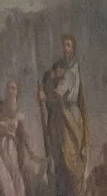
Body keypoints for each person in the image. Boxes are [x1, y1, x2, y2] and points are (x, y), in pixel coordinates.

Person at [40, 34, 89, 195]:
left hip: (71, 116)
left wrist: (47, 96)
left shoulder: (72, 71)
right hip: (61, 117)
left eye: (68, 45)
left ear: (73, 48)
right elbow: (54, 93)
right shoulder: (61, 69)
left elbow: (60, 93)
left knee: (70, 155)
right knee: (60, 157)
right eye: (64, 45)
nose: (65, 49)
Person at [0, 78, 34, 196]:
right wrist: (2, 124)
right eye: (9, 88)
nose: (11, 91)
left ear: (17, 92)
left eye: (13, 88)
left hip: (12, 149)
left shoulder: (19, 115)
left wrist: (33, 153)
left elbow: (25, 137)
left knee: (17, 181)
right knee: (4, 182)